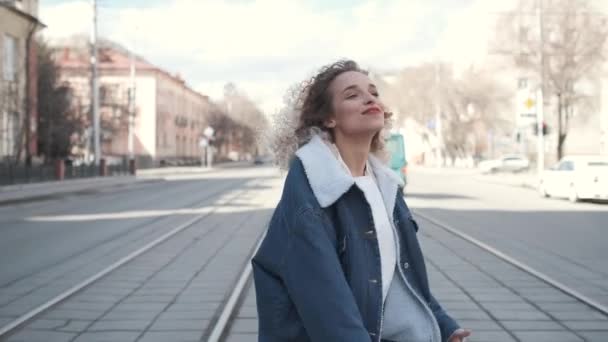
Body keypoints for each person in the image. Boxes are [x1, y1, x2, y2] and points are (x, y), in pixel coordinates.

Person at [252, 60, 472, 342]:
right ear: (328, 118)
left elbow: (397, 275)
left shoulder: (385, 184)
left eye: (373, 92)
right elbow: (329, 309)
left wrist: (441, 324)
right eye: (352, 95)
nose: (369, 98)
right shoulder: (312, 195)